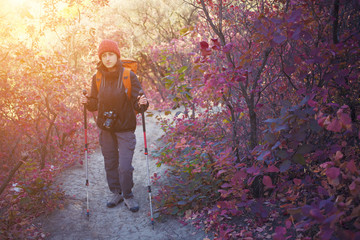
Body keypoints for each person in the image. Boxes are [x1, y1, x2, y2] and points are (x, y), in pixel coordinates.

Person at [81, 39, 149, 212]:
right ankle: (116, 192)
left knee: (124, 166)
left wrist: (142, 103)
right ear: (100, 58)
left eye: (110, 54)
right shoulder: (96, 78)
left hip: (125, 128)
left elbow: (138, 102)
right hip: (106, 129)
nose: (108, 58)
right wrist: (87, 102)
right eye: (104, 55)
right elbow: (94, 104)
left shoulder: (128, 75)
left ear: (117, 55)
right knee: (110, 162)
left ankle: (128, 195)